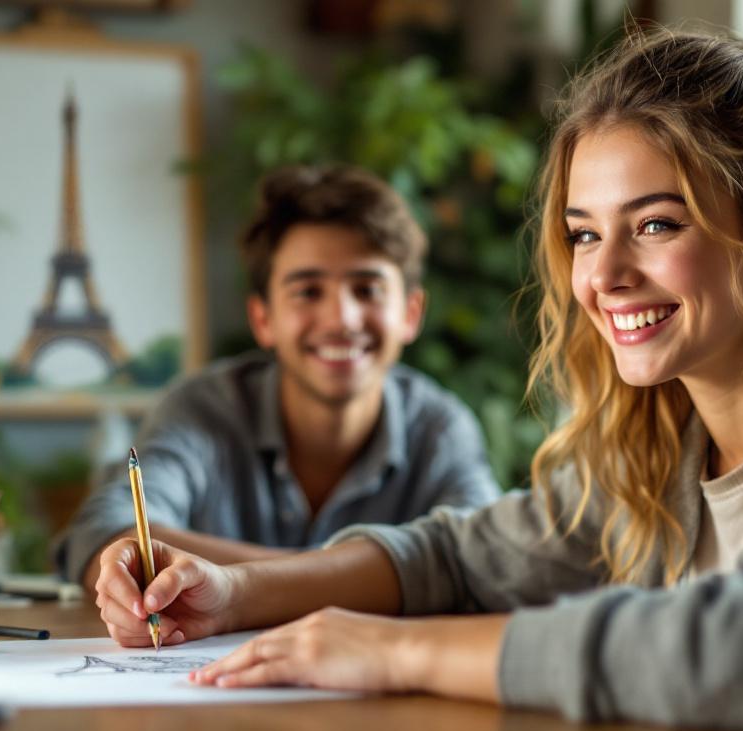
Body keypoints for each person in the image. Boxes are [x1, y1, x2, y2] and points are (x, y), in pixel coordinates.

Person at [90, 10, 743, 731]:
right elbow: (461, 559)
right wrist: (239, 593)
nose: (599, 278)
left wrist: (394, 653)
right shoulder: (660, 433)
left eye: (657, 225)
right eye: (587, 232)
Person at [56, 165, 500, 589]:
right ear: (262, 318)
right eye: (308, 291)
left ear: (410, 313)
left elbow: (485, 561)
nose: (341, 319)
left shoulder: (441, 426)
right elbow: (105, 534)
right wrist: (372, 579)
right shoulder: (202, 408)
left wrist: (250, 583)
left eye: (367, 290)